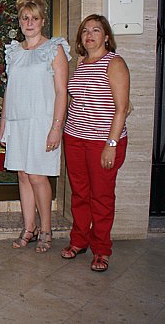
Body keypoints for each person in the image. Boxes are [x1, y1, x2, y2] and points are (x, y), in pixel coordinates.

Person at [0, 0, 70, 253]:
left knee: (38, 176)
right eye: (25, 18)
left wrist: (56, 127)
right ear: (19, 21)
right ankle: (29, 228)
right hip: (17, 122)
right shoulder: (14, 52)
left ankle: (46, 229)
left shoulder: (54, 49)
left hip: (42, 122)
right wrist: (4, 122)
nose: (29, 23)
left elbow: (62, 91)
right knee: (23, 174)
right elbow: (10, 89)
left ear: (42, 21)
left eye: (35, 18)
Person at [61, 14, 130, 272]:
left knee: (101, 197)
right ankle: (79, 241)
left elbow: (121, 109)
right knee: (80, 193)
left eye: (96, 30)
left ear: (107, 37)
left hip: (102, 141)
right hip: (75, 137)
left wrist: (111, 144)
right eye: (85, 31)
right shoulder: (81, 62)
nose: (89, 35)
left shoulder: (114, 63)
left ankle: (101, 249)